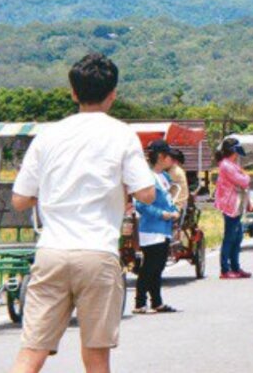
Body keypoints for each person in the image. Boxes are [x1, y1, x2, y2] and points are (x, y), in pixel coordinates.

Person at [8, 53, 156, 373]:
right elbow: (147, 192)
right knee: (96, 356)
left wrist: (52, 194)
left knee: (31, 352)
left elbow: (20, 199)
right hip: (97, 252)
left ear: (73, 93)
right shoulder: (121, 134)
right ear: (113, 94)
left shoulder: (48, 135)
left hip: (52, 251)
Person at [132, 140, 181, 315]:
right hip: (152, 227)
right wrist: (163, 214)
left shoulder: (164, 177)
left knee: (158, 266)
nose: (172, 160)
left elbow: (168, 199)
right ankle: (140, 302)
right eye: (169, 156)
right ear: (161, 157)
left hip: (164, 227)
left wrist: (174, 210)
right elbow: (140, 204)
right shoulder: (147, 177)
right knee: (150, 267)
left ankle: (157, 301)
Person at [215, 136, 251, 279]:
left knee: (237, 236)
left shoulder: (230, 164)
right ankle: (225, 269)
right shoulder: (226, 165)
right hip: (230, 204)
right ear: (233, 151)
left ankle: (235, 267)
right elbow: (243, 181)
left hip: (236, 204)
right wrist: (246, 176)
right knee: (230, 237)